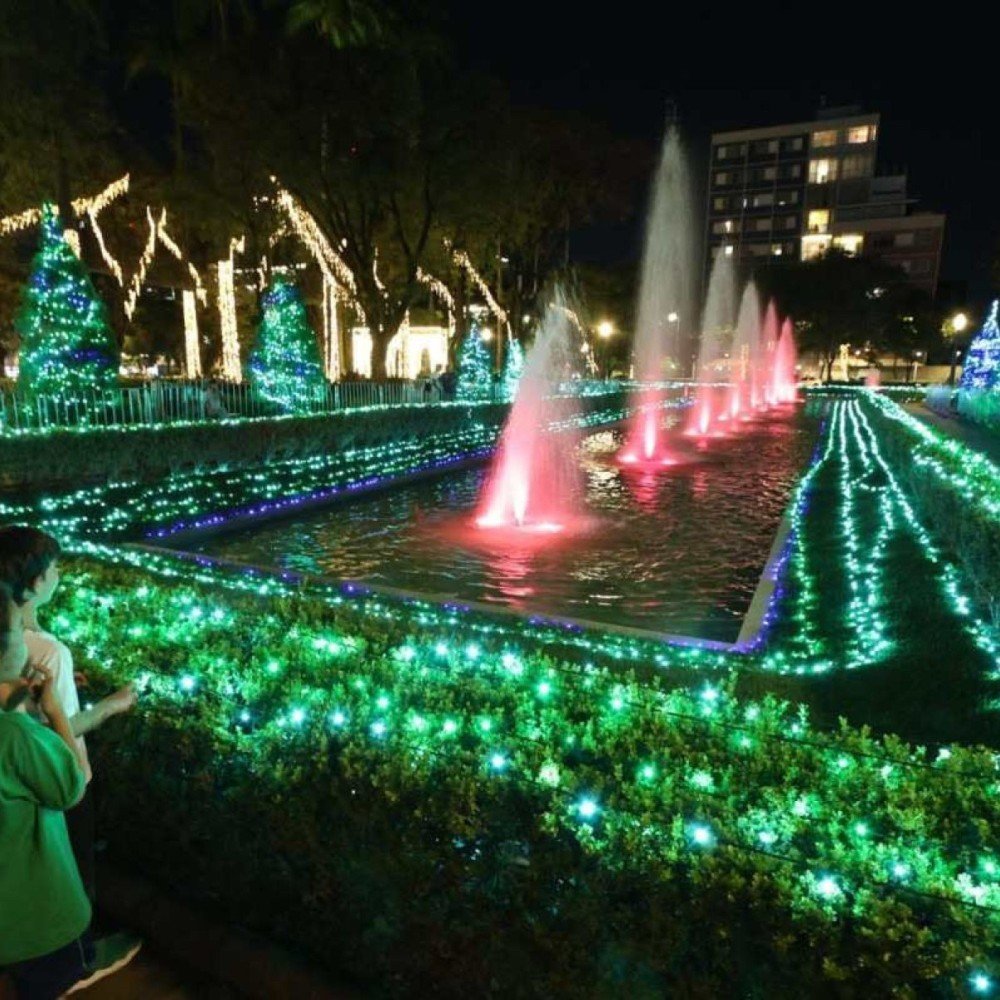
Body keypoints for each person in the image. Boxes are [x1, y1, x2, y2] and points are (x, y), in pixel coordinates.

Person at [0, 527, 141, 987]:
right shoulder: (47, 656)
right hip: (50, 781)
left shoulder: (27, 637)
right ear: (37, 582)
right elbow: (66, 769)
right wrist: (107, 707)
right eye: (55, 568)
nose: (60, 575)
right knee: (69, 872)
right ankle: (74, 957)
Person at [0, 583, 92, 999]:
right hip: (33, 919)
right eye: (20, 631)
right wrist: (53, 710)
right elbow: (71, 786)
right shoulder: (15, 735)